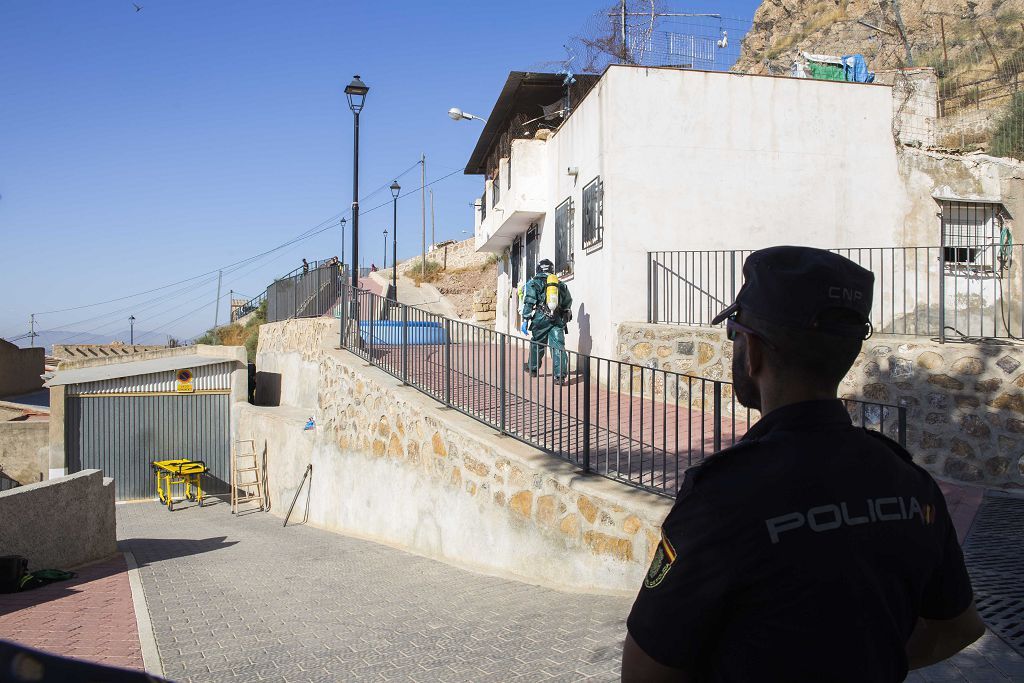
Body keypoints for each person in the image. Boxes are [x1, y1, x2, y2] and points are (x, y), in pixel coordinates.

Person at [622, 246, 984, 683]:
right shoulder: (910, 483)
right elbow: (960, 628)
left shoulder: (723, 497)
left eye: (734, 332)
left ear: (752, 351)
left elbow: (645, 673)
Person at [521, 259, 573, 384]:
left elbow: (529, 301)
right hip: (557, 318)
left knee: (537, 344)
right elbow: (567, 302)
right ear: (552, 270)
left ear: (538, 269)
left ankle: (533, 369)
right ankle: (560, 376)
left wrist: (525, 319)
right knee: (558, 346)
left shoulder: (533, 283)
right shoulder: (559, 284)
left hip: (540, 318)